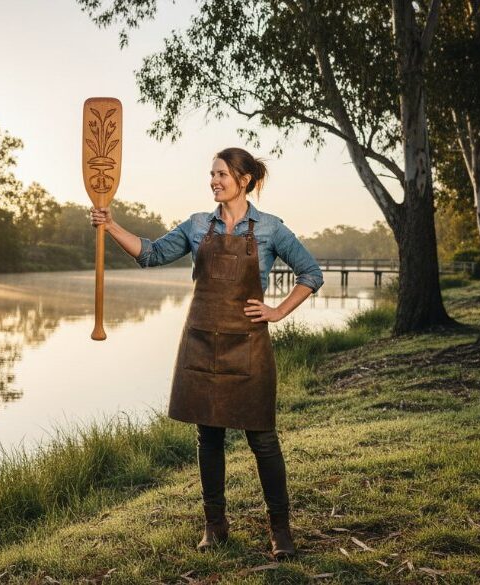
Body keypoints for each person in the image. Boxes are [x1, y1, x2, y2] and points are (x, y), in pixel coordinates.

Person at [89, 147, 323, 560]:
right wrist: (110, 226)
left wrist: (276, 311)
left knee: (263, 439)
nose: (214, 181)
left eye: (221, 174)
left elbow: (311, 274)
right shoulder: (198, 225)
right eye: (211, 174)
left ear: (244, 179)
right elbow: (151, 254)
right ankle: (215, 526)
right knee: (208, 436)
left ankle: (280, 531)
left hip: (249, 345)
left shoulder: (270, 229)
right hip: (200, 341)